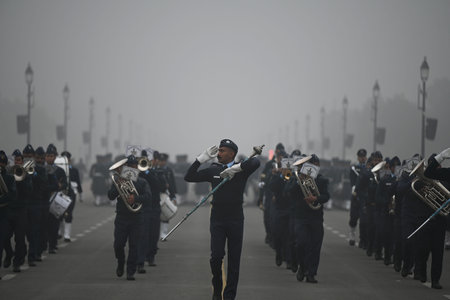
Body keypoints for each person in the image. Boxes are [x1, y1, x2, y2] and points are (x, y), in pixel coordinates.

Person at [184, 139, 260, 300]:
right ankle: (217, 285)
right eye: (218, 150)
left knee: (234, 260)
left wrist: (236, 168)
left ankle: (230, 295)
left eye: (222, 151)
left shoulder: (241, 168)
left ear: (232, 153)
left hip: (236, 219)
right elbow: (189, 177)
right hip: (217, 218)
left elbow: (256, 162)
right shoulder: (213, 169)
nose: (218, 153)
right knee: (216, 256)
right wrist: (200, 159)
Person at [108, 155, 151, 281]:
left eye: (133, 166)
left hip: (137, 218)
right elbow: (110, 196)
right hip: (121, 217)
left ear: (136, 167)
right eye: (128, 166)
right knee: (118, 245)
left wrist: (135, 198)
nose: (130, 169)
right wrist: (117, 187)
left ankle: (130, 271)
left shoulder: (142, 182)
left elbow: (148, 198)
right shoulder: (118, 180)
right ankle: (121, 262)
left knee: (134, 246)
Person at [288, 154, 329, 284]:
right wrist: (299, 180)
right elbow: (288, 192)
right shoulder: (297, 178)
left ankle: (311, 274)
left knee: (315, 247)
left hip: (316, 217)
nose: (314, 167)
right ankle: (302, 266)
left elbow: (327, 196)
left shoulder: (322, 180)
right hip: (301, 217)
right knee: (301, 243)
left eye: (316, 165)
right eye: (311, 165)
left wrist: (316, 198)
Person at [0, 150, 16, 279]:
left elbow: (12, 195)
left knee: (2, 240)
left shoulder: (9, 178)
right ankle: (10, 252)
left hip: (5, 213)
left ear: (5, 164)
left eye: (2, 163)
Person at [61, 151, 82, 242]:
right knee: (58, 213)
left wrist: (81, 194)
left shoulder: (74, 170)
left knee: (68, 213)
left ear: (70, 160)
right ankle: (59, 232)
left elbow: (78, 182)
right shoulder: (57, 170)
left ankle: (67, 234)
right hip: (60, 193)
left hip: (71, 193)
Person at [348, 148, 367, 246]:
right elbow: (352, 180)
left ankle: (362, 238)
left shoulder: (368, 168)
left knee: (363, 219)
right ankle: (352, 235)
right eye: (360, 157)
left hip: (364, 195)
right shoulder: (354, 169)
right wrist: (354, 189)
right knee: (353, 217)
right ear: (358, 157)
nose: (362, 158)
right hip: (355, 194)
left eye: (363, 157)